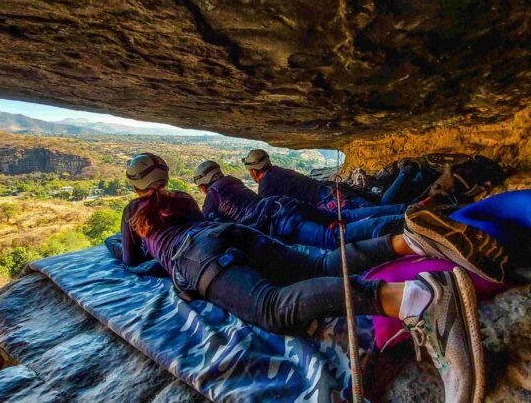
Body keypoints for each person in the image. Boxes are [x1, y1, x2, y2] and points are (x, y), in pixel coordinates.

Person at [118, 152, 488, 403]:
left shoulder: (135, 212)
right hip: (233, 233)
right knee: (321, 262)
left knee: (273, 307)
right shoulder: (183, 199)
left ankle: (418, 300)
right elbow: (205, 225)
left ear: (135, 185)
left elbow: (131, 258)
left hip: (197, 257)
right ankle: (407, 239)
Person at [194, 160, 406, 251]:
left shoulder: (213, 195)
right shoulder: (236, 182)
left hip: (279, 221)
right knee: (344, 219)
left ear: (203, 186)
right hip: (289, 207)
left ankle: (403, 221)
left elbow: (206, 227)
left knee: (332, 239)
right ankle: (402, 212)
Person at [241, 149, 405, 217]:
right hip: (333, 191)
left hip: (328, 203)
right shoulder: (278, 170)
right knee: (377, 208)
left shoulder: (266, 184)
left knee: (375, 213)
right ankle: (407, 180)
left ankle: (406, 209)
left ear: (254, 172)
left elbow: (264, 210)